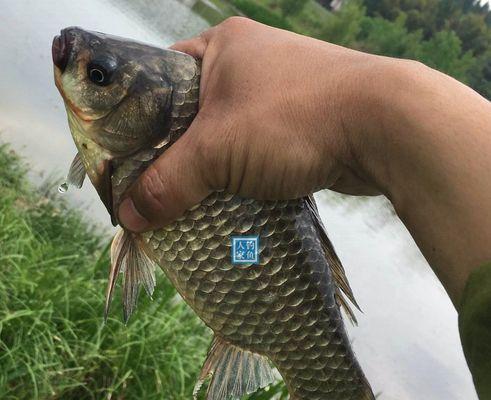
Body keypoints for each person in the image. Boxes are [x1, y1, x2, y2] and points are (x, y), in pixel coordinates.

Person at [117, 17, 491, 398]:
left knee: (248, 252)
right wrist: (372, 108)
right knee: (247, 251)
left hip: (266, 276)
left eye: (99, 76)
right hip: (260, 266)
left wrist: (371, 107)